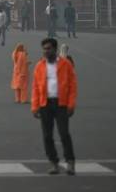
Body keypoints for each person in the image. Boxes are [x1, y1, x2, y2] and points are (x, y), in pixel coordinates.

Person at [31, 37, 77, 176]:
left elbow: (72, 86)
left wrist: (71, 104)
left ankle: (70, 162)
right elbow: (35, 88)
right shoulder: (39, 66)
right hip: (45, 104)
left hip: (61, 104)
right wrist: (35, 106)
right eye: (44, 49)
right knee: (47, 136)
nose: (46, 51)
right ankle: (53, 162)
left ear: (55, 50)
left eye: (48, 48)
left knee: (64, 133)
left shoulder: (65, 64)